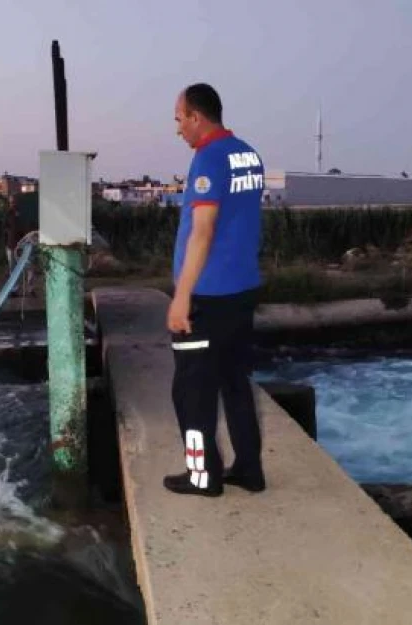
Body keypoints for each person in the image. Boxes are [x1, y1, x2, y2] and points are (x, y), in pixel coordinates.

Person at [163, 83, 266, 498]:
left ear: (197, 118)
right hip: (242, 291)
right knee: (234, 382)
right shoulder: (248, 154)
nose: (177, 129)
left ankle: (203, 477)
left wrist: (182, 295)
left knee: (191, 392)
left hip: (208, 296)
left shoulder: (208, 158)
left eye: (179, 118)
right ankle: (249, 470)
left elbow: (202, 233)